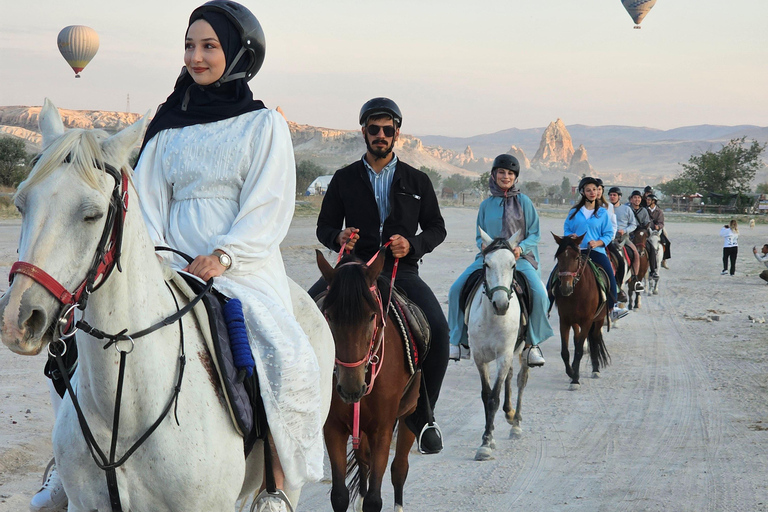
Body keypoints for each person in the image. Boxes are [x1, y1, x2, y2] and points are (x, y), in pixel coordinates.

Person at [133, 3, 324, 510]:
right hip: (168, 264)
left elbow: (269, 204)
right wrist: (161, 258)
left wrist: (223, 256)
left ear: (239, 53)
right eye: (190, 45)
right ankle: (67, 466)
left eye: (210, 46)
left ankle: (276, 486)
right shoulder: (168, 126)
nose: (196, 56)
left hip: (243, 265)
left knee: (285, 355)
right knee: (88, 333)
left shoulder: (263, 125)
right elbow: (148, 203)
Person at [310, 98, 449, 454]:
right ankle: (304, 406)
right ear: (364, 132)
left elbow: (436, 228)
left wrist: (413, 244)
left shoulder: (418, 180)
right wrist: (337, 238)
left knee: (439, 329)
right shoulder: (343, 179)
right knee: (303, 318)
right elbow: (324, 227)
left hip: (400, 273)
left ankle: (423, 415)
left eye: (388, 130)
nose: (381, 135)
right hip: (351, 272)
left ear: (397, 133)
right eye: (374, 129)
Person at [447, 154, 554, 366]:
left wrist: (520, 248)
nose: (506, 176)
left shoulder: (524, 202)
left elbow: (535, 234)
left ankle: (531, 345)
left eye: (511, 173)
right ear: (494, 174)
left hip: (519, 258)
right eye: (502, 172)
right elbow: (480, 235)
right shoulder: (486, 205)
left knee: (540, 294)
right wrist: (483, 246)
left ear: (516, 177)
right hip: (489, 258)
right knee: (455, 289)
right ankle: (458, 341)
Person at [563, 177, 629, 321]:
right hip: (577, 251)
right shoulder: (574, 211)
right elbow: (566, 228)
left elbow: (609, 233)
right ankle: (548, 303)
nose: (592, 192)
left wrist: (598, 243)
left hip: (596, 251)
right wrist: (570, 236)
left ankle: (613, 307)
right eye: (588, 190)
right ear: (582, 192)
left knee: (610, 276)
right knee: (558, 273)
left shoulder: (603, 213)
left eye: (594, 189)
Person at [607, 186, 643, 301]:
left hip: (623, 237)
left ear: (619, 197)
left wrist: (625, 230)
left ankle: (635, 279)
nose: (612, 197)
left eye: (614, 195)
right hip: (608, 237)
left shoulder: (626, 209)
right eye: (611, 195)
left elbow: (633, 224)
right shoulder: (605, 208)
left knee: (635, 254)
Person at [628, 190, 658, 278]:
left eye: (638, 198)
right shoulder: (628, 209)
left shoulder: (644, 211)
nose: (637, 199)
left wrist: (644, 228)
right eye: (635, 198)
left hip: (641, 233)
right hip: (631, 233)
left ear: (641, 199)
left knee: (651, 248)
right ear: (631, 199)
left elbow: (647, 222)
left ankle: (653, 269)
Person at [646, 193, 671, 268]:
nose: (647, 201)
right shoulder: (645, 210)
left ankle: (664, 260)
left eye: (649, 200)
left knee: (666, 242)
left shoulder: (659, 211)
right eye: (647, 200)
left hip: (657, 230)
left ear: (653, 201)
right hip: (647, 229)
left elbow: (661, 222)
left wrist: (658, 226)